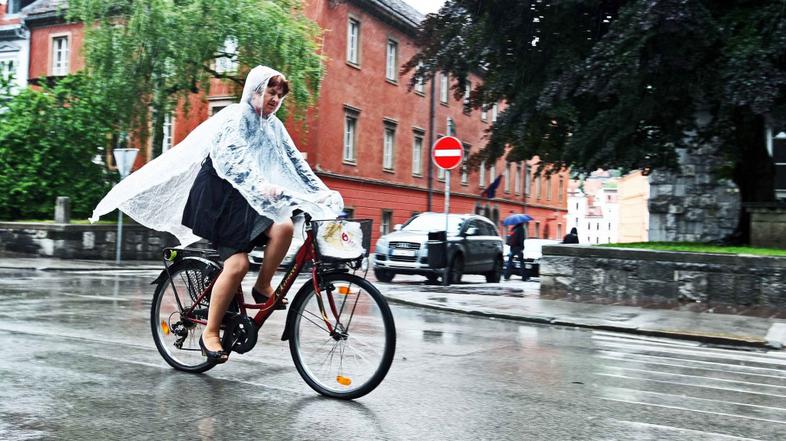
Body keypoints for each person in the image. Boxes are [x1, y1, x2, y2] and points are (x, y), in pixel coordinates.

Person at [90, 66, 343, 363]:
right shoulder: (235, 119)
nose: (275, 98)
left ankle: (262, 287)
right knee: (237, 264)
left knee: (284, 226)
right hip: (217, 199)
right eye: (270, 91)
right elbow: (235, 161)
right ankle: (210, 333)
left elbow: (294, 162)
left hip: (248, 200)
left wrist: (320, 191)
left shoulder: (273, 126)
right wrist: (261, 185)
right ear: (254, 91)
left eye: (279, 94)